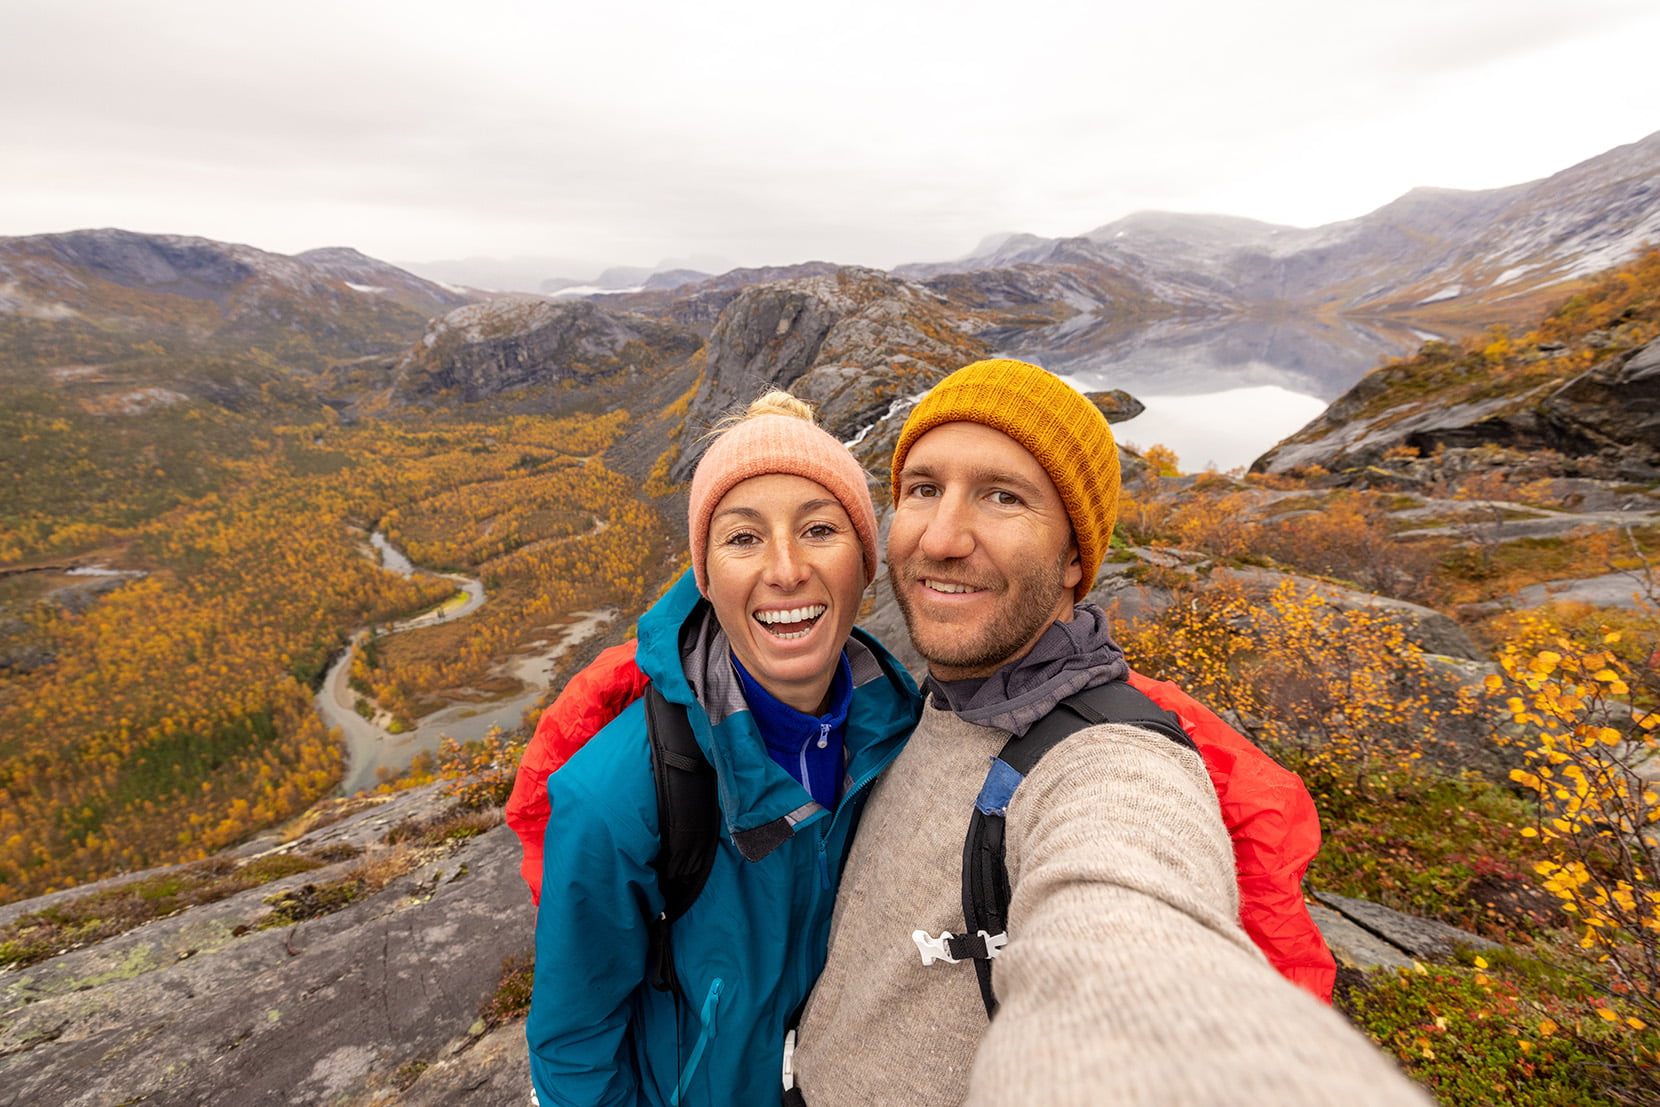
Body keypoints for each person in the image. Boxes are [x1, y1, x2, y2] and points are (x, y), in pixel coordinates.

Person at [786, 358, 1431, 1106]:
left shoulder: (1105, 764)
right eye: (924, 488)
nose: (942, 536)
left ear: (1073, 558)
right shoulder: (917, 708)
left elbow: (1130, 918)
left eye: (1003, 496)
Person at [519, 392, 921, 1107]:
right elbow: (573, 1045)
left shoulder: (900, 735)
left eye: (821, 528)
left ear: (865, 562)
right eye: (743, 538)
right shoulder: (619, 799)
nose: (787, 569)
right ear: (704, 577)